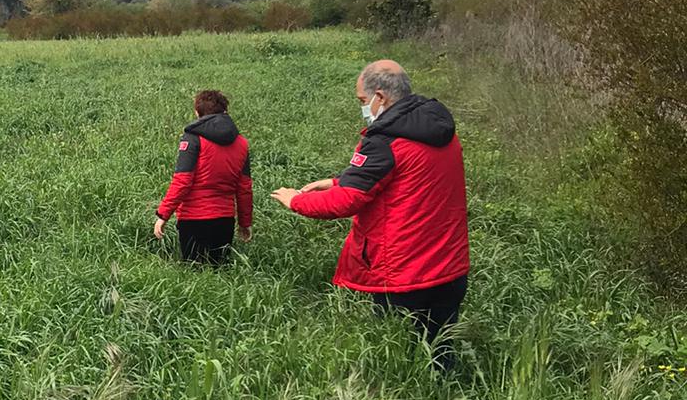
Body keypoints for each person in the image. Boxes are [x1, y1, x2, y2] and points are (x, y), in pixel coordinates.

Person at [272, 60, 469, 368]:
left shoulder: (385, 140)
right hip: (450, 269)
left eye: (363, 102)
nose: (363, 108)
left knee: (399, 363)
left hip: (405, 275)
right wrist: (336, 181)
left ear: (381, 97)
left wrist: (294, 201)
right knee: (439, 353)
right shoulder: (440, 131)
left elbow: (345, 202)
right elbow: (404, 181)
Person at [154, 89, 253, 264]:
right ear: (225, 112)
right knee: (220, 276)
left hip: (193, 220)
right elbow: (244, 187)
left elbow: (183, 181)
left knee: (193, 276)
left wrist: (163, 215)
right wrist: (244, 223)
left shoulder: (192, 138)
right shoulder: (242, 143)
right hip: (225, 221)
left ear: (197, 112)